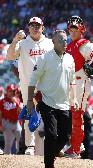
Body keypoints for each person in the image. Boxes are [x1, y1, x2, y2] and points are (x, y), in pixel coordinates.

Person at [27, 30, 78, 168]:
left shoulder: (70, 58)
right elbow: (32, 81)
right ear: (53, 42)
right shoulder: (44, 58)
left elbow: (72, 81)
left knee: (64, 136)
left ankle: (51, 154)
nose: (65, 42)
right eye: (61, 40)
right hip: (47, 102)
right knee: (51, 134)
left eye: (66, 39)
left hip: (64, 104)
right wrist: (30, 101)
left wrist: (74, 98)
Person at [6, 17, 53, 155]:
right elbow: (9, 57)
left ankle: (53, 145)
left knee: (50, 114)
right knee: (29, 114)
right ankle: (30, 146)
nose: (34, 27)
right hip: (28, 85)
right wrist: (15, 40)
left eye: (37, 25)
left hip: (47, 84)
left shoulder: (49, 43)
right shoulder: (22, 43)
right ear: (28, 28)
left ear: (42, 28)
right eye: (32, 25)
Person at [65, 16, 93, 157]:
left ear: (81, 29)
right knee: (68, 115)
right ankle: (77, 144)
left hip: (81, 81)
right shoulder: (68, 45)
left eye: (76, 28)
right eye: (71, 28)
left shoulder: (85, 44)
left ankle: (75, 148)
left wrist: (90, 67)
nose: (73, 31)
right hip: (70, 83)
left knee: (77, 115)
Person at [0, 84, 22, 154]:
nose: (11, 93)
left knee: (20, 140)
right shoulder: (2, 101)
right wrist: (0, 124)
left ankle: (21, 156)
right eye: (10, 91)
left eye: (13, 91)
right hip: (7, 122)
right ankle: (7, 160)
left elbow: (21, 111)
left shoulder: (17, 100)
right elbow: (0, 114)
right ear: (7, 91)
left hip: (16, 123)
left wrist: (16, 102)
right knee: (8, 144)